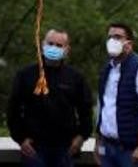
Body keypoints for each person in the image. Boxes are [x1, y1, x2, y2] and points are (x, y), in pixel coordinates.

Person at [7, 29, 94, 166]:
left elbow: (86, 110)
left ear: (67, 50)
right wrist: (20, 139)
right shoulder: (26, 75)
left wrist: (81, 137)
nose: (54, 48)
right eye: (50, 43)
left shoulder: (76, 78)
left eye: (59, 45)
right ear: (42, 44)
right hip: (34, 149)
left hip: (65, 148)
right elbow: (13, 109)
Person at [95, 23, 138, 166]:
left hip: (130, 149)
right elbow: (103, 106)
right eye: (110, 37)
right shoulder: (107, 69)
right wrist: (98, 142)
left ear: (128, 42)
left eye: (117, 37)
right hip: (107, 147)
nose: (112, 41)